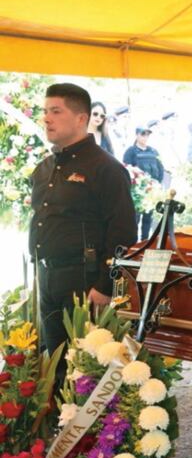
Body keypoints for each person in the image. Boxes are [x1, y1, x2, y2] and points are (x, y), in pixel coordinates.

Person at [29, 83, 136, 375]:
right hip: (48, 278)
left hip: (85, 282)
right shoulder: (45, 168)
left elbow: (123, 234)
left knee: (86, 371)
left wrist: (104, 285)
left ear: (80, 118)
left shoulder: (106, 168)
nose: (46, 118)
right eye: (45, 111)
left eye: (56, 111)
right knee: (56, 366)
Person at [123, 126, 165, 240]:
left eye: (147, 135)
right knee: (135, 219)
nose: (145, 137)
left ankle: (145, 242)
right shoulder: (130, 151)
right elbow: (125, 169)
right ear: (137, 135)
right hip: (137, 191)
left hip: (151, 191)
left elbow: (160, 169)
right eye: (143, 134)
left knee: (148, 218)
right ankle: (133, 243)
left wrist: (157, 185)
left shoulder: (153, 151)